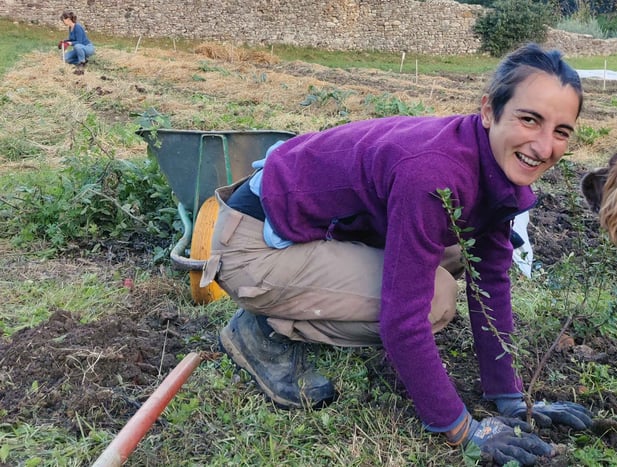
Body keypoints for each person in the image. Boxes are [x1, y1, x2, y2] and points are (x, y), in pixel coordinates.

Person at [206, 43, 593, 466]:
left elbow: (491, 278)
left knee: (456, 256)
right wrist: (465, 431)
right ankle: (263, 327)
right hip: (254, 244)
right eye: (529, 119)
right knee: (434, 300)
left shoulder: (497, 165)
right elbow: (403, 318)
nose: (543, 146)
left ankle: (300, 297)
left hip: (319, 229)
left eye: (561, 131)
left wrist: (510, 399)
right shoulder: (433, 172)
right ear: (488, 111)